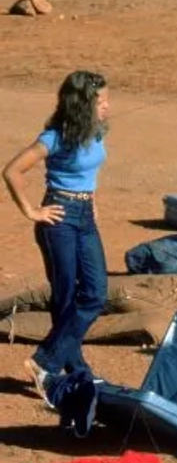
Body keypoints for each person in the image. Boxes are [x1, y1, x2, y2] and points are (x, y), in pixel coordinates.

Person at [4, 70, 111, 408]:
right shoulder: (54, 138)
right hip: (59, 217)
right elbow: (11, 171)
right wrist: (32, 211)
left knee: (95, 293)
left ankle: (46, 361)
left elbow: (89, 173)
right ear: (82, 105)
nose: (107, 107)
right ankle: (73, 368)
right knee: (65, 297)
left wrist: (92, 203)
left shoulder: (95, 133)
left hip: (85, 219)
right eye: (101, 102)